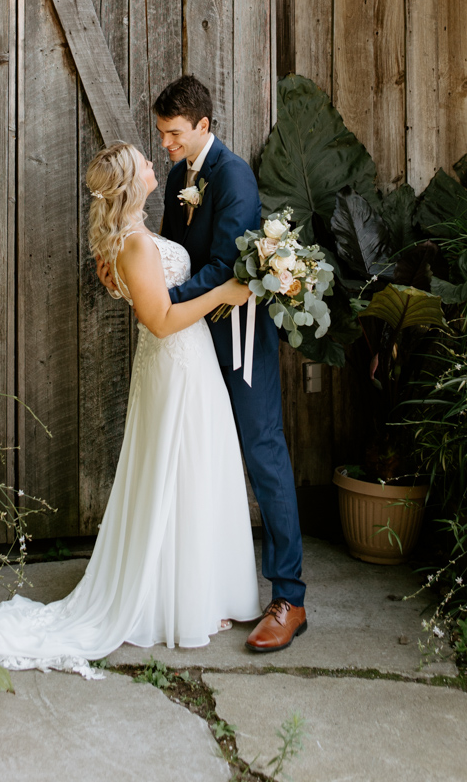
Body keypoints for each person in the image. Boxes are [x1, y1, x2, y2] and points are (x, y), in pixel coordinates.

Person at [0, 141, 260, 677]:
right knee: (181, 471)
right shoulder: (135, 245)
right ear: (131, 180)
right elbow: (163, 319)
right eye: (145, 163)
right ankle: (178, 602)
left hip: (184, 363)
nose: (155, 165)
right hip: (175, 362)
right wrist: (227, 293)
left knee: (190, 473)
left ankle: (200, 591)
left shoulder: (133, 236)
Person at [148, 74, 308, 653]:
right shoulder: (174, 176)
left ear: (203, 127)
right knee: (200, 458)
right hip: (190, 338)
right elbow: (170, 249)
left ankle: (289, 596)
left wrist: (164, 305)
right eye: (163, 134)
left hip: (236, 336)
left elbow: (225, 268)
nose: (165, 144)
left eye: (174, 134)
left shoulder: (234, 175)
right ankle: (207, 587)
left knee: (263, 452)